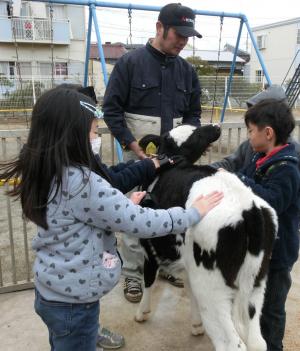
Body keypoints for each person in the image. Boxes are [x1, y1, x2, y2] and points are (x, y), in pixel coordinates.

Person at [0, 87, 223, 351]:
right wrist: (192, 213)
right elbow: (141, 222)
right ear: (71, 136)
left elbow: (79, 216)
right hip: (76, 303)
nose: (97, 138)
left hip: (51, 291)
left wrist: (123, 205)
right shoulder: (85, 183)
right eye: (94, 131)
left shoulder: (47, 172)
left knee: (61, 341)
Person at [103, 2, 202, 302]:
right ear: (160, 28)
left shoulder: (187, 71)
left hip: (173, 160)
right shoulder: (129, 64)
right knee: (133, 212)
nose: (183, 41)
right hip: (138, 158)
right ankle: (132, 275)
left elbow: (194, 115)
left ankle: (166, 266)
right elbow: (111, 110)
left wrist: (183, 144)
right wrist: (135, 149)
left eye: (188, 36)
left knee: (170, 212)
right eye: (178, 34)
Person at [234, 99, 300, 351]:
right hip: (261, 251)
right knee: (254, 305)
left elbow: (272, 202)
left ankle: (273, 346)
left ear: (268, 133)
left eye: (251, 131)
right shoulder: (259, 157)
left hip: (279, 254)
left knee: (272, 309)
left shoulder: (287, 168)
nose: (249, 136)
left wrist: (239, 180)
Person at [212, 85, 300, 171]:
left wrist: (238, 178)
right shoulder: (251, 146)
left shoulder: (292, 157)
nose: (249, 135)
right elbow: (229, 164)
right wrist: (202, 171)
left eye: (251, 130)